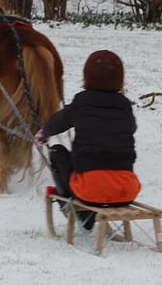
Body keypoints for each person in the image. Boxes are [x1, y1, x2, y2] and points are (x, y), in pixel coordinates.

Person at [37, 50, 140, 230]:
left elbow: (60, 122)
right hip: (127, 189)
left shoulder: (82, 102)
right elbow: (132, 128)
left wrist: (44, 132)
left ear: (87, 77)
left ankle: (77, 208)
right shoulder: (124, 105)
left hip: (89, 190)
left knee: (57, 152)